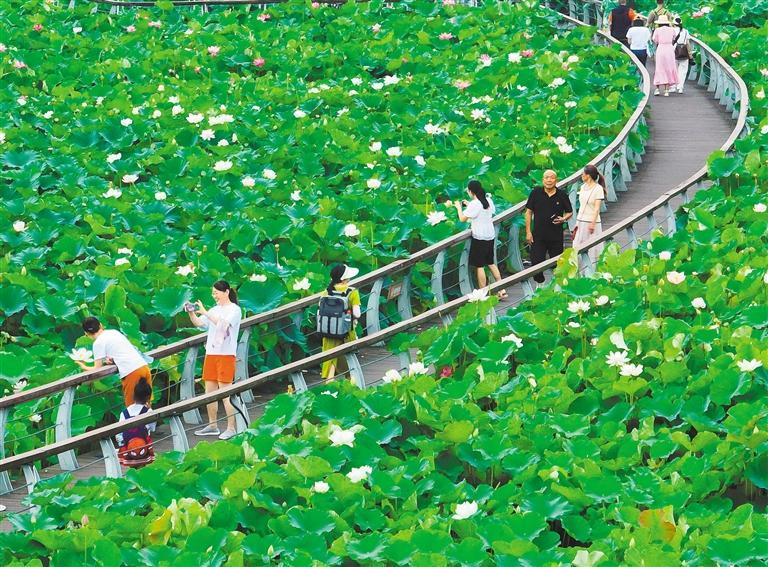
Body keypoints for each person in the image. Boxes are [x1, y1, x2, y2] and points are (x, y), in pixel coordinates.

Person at [188, 280, 242, 440]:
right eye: (213, 293)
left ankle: (231, 427)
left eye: (216, 293)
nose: (214, 296)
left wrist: (205, 313)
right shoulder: (214, 309)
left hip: (226, 355)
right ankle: (212, 425)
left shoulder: (235, 310)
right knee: (209, 393)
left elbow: (223, 324)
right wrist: (191, 313)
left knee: (226, 394)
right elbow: (199, 324)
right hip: (211, 353)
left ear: (226, 292)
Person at [77, 317, 152, 406]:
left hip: (131, 372)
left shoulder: (98, 343)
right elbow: (122, 351)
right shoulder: (114, 332)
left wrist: (83, 366)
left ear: (87, 333)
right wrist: (113, 361)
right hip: (143, 367)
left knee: (133, 408)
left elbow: (97, 369)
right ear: (100, 325)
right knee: (147, 404)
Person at [453, 180, 507, 299]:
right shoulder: (487, 200)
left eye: (468, 190)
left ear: (471, 191)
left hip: (479, 237)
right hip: (490, 235)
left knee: (480, 265)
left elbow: (462, 218)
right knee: (491, 262)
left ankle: (483, 293)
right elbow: (485, 210)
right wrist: (469, 204)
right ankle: (502, 289)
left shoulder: (475, 204)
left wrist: (458, 207)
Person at [524, 170, 573, 284]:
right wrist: (528, 232)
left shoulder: (562, 195)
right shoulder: (536, 193)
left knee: (557, 264)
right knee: (536, 263)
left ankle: (556, 287)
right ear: (543, 180)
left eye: (552, 178)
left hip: (555, 236)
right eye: (546, 178)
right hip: (538, 235)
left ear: (556, 180)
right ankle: (539, 285)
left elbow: (569, 211)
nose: (549, 180)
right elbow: (528, 212)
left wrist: (564, 218)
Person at [320, 265, 362, 380]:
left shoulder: (326, 292)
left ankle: (329, 379)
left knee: (330, 356)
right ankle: (351, 380)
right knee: (349, 356)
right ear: (344, 278)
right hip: (346, 331)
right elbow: (357, 314)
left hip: (328, 330)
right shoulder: (352, 291)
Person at [116, 377, 155, 469]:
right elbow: (152, 428)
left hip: (129, 448)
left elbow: (119, 432)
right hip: (143, 447)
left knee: (133, 468)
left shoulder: (124, 413)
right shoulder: (148, 412)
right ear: (148, 397)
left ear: (134, 396)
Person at [572, 165, 607, 263]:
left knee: (593, 249)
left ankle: (591, 271)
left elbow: (596, 209)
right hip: (580, 221)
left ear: (588, 175)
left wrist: (592, 223)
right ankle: (580, 272)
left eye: (583, 173)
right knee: (577, 246)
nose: (581, 175)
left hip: (591, 221)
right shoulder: (582, 187)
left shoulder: (598, 189)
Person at [652, 15, 679, 96]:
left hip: (660, 48)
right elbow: (674, 38)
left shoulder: (657, 30)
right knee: (668, 68)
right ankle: (666, 90)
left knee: (659, 68)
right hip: (669, 49)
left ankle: (657, 89)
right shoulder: (672, 30)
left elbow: (655, 40)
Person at [673, 16, 693, 93]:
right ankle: (680, 87)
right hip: (684, 51)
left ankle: (673, 86)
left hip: (674, 50)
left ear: (674, 23)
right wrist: (690, 54)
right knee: (683, 70)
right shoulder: (685, 31)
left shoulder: (672, 30)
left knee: (674, 69)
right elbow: (687, 43)